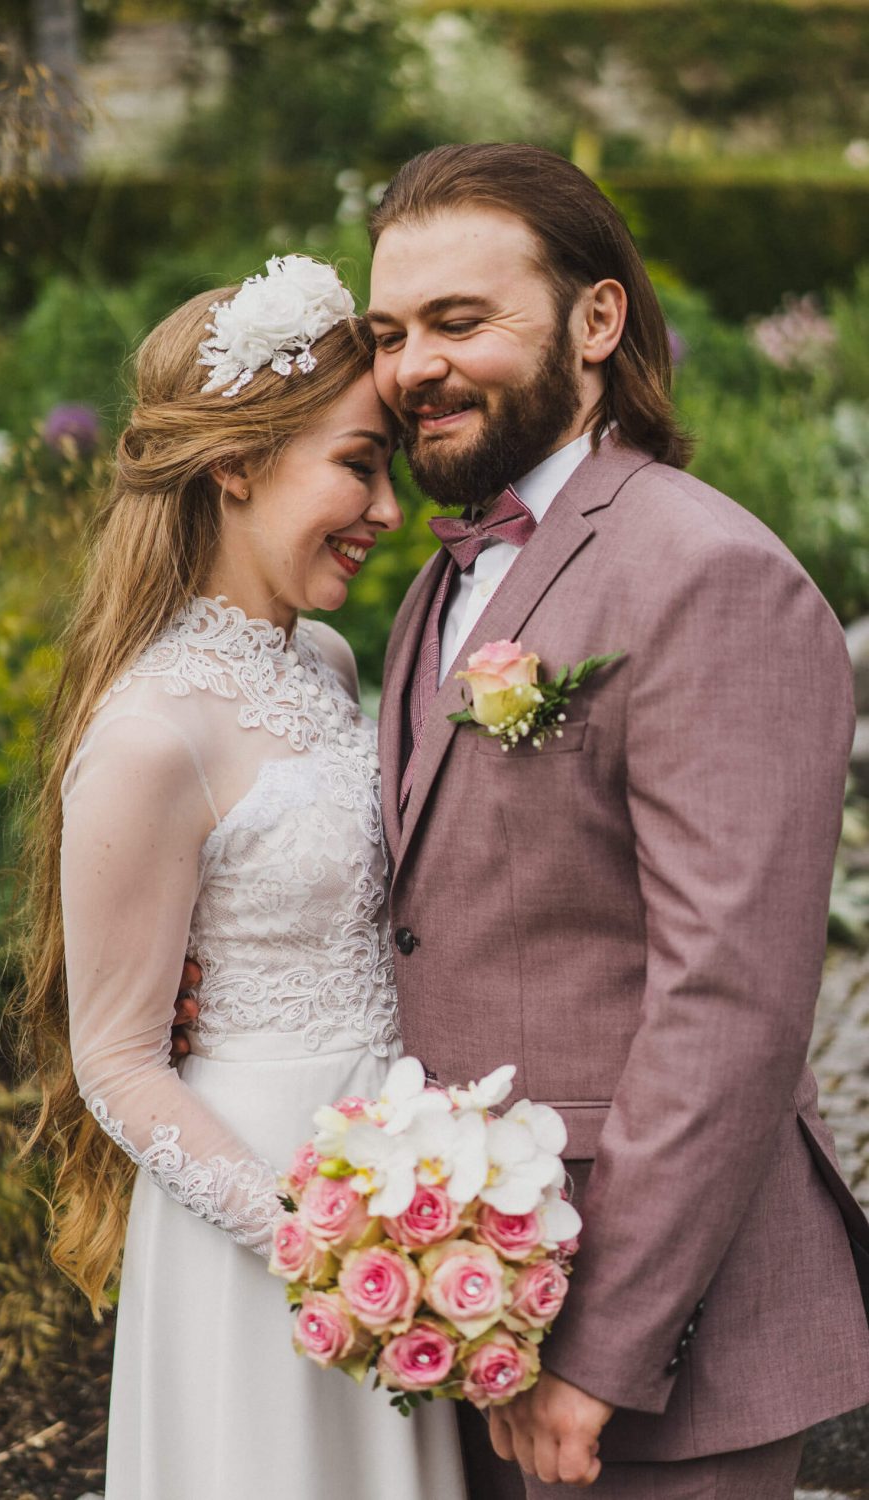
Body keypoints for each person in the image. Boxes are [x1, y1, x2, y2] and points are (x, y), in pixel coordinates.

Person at [365, 143, 869, 1498]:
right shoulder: (441, 584)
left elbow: (731, 1001)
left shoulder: (709, 576)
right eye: (392, 333)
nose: (415, 364)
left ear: (598, 322)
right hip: (461, 1312)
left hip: (653, 1351)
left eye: (461, 321)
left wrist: (597, 1353)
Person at [15, 256, 468, 1500]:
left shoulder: (322, 660)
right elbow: (115, 1060)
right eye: (357, 463)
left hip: (386, 1173)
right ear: (235, 464)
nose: (386, 507)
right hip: (257, 1212)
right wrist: (312, 1244)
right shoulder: (149, 733)